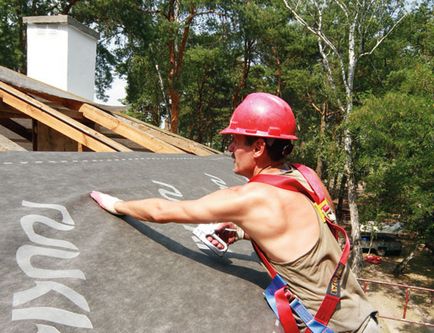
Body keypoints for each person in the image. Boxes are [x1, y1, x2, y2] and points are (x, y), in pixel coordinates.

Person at [91, 92, 378, 333]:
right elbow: (307, 232)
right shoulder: (307, 177)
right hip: (363, 315)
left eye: (236, 141)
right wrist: (242, 230)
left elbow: (162, 211)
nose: (229, 148)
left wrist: (116, 205)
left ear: (258, 147)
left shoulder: (248, 199)